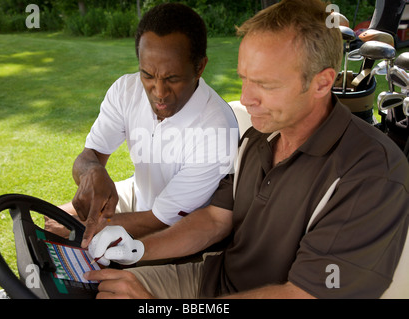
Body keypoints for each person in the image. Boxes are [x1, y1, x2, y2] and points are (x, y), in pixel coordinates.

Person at [84, 0, 409, 299]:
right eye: (244, 79)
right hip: (211, 279)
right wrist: (138, 250)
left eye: (265, 84)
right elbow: (214, 220)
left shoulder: (372, 172)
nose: (247, 99)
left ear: (322, 82)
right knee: (89, 285)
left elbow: (301, 295)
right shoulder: (257, 139)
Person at [45, 3, 239, 248]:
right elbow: (88, 156)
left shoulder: (217, 130)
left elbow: (158, 220)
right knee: (50, 221)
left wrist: (80, 229)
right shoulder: (126, 90)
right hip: (141, 194)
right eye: (147, 75)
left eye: (172, 78)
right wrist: (92, 170)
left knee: (73, 239)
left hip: (181, 230)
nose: (159, 92)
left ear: (199, 67)